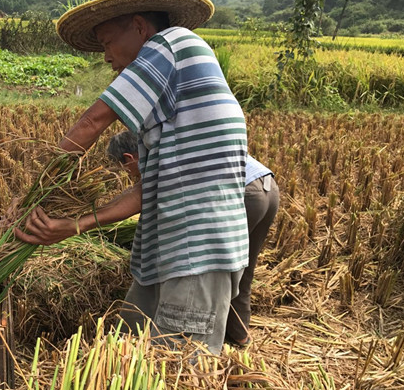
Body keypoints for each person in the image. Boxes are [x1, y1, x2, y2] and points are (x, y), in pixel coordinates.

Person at [14, 0, 248, 355]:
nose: (106, 57)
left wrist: (33, 197)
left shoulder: (169, 43)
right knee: (126, 350)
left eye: (107, 43)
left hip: (197, 252)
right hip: (168, 251)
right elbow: (147, 191)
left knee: (175, 374)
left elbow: (92, 121)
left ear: (139, 27)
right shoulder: (168, 105)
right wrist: (73, 226)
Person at [107, 131, 280, 347]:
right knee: (241, 268)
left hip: (241, 192)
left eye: (125, 170)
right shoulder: (172, 142)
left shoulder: (158, 157)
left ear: (128, 158)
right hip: (266, 185)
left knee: (216, 270)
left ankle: (206, 335)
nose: (130, 175)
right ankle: (239, 336)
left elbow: (143, 199)